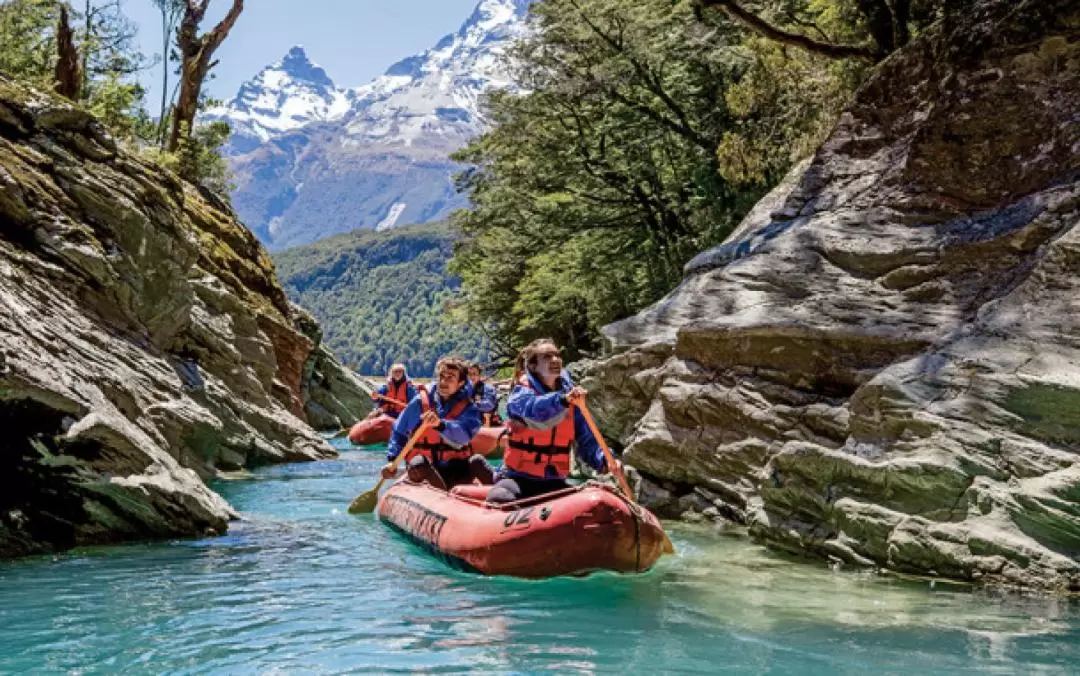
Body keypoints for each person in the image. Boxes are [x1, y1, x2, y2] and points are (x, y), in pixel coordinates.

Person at [486, 339, 612, 504]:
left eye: (557, 355)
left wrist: (604, 460)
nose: (555, 360)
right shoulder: (520, 395)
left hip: (554, 480)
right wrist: (561, 400)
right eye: (546, 357)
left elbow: (587, 439)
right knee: (499, 498)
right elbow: (535, 413)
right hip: (518, 478)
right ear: (532, 366)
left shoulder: (571, 399)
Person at [381, 356, 495, 490]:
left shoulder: (468, 407)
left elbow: (464, 436)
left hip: (455, 469)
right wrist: (393, 459)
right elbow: (399, 432)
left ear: (461, 383)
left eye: (450, 377)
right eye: (441, 376)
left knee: (477, 461)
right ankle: (443, 496)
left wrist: (441, 425)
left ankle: (504, 499)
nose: (443, 381)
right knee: (418, 462)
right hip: (426, 469)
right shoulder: (420, 402)